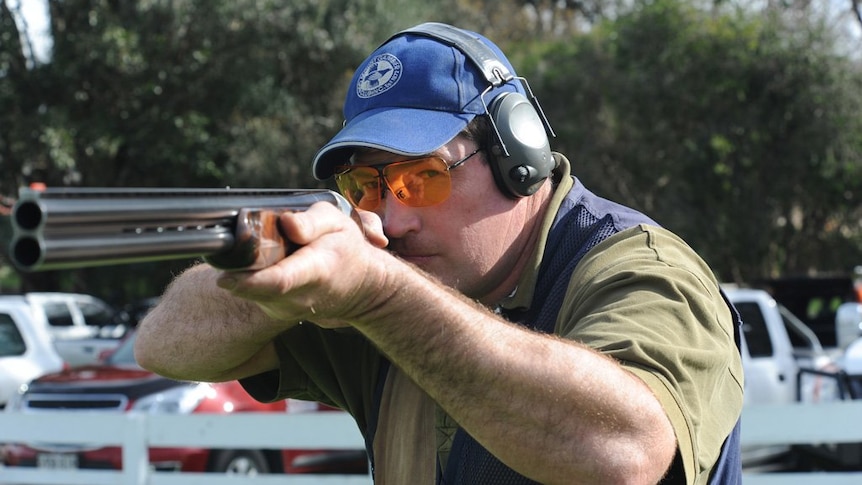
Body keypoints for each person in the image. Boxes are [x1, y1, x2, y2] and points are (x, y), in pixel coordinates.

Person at [134, 22, 743, 484]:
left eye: (420, 177)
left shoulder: (640, 270)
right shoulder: (390, 281)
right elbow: (166, 342)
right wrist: (280, 270)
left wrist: (379, 295)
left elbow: (624, 453)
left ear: (517, 156)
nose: (390, 218)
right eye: (366, 186)